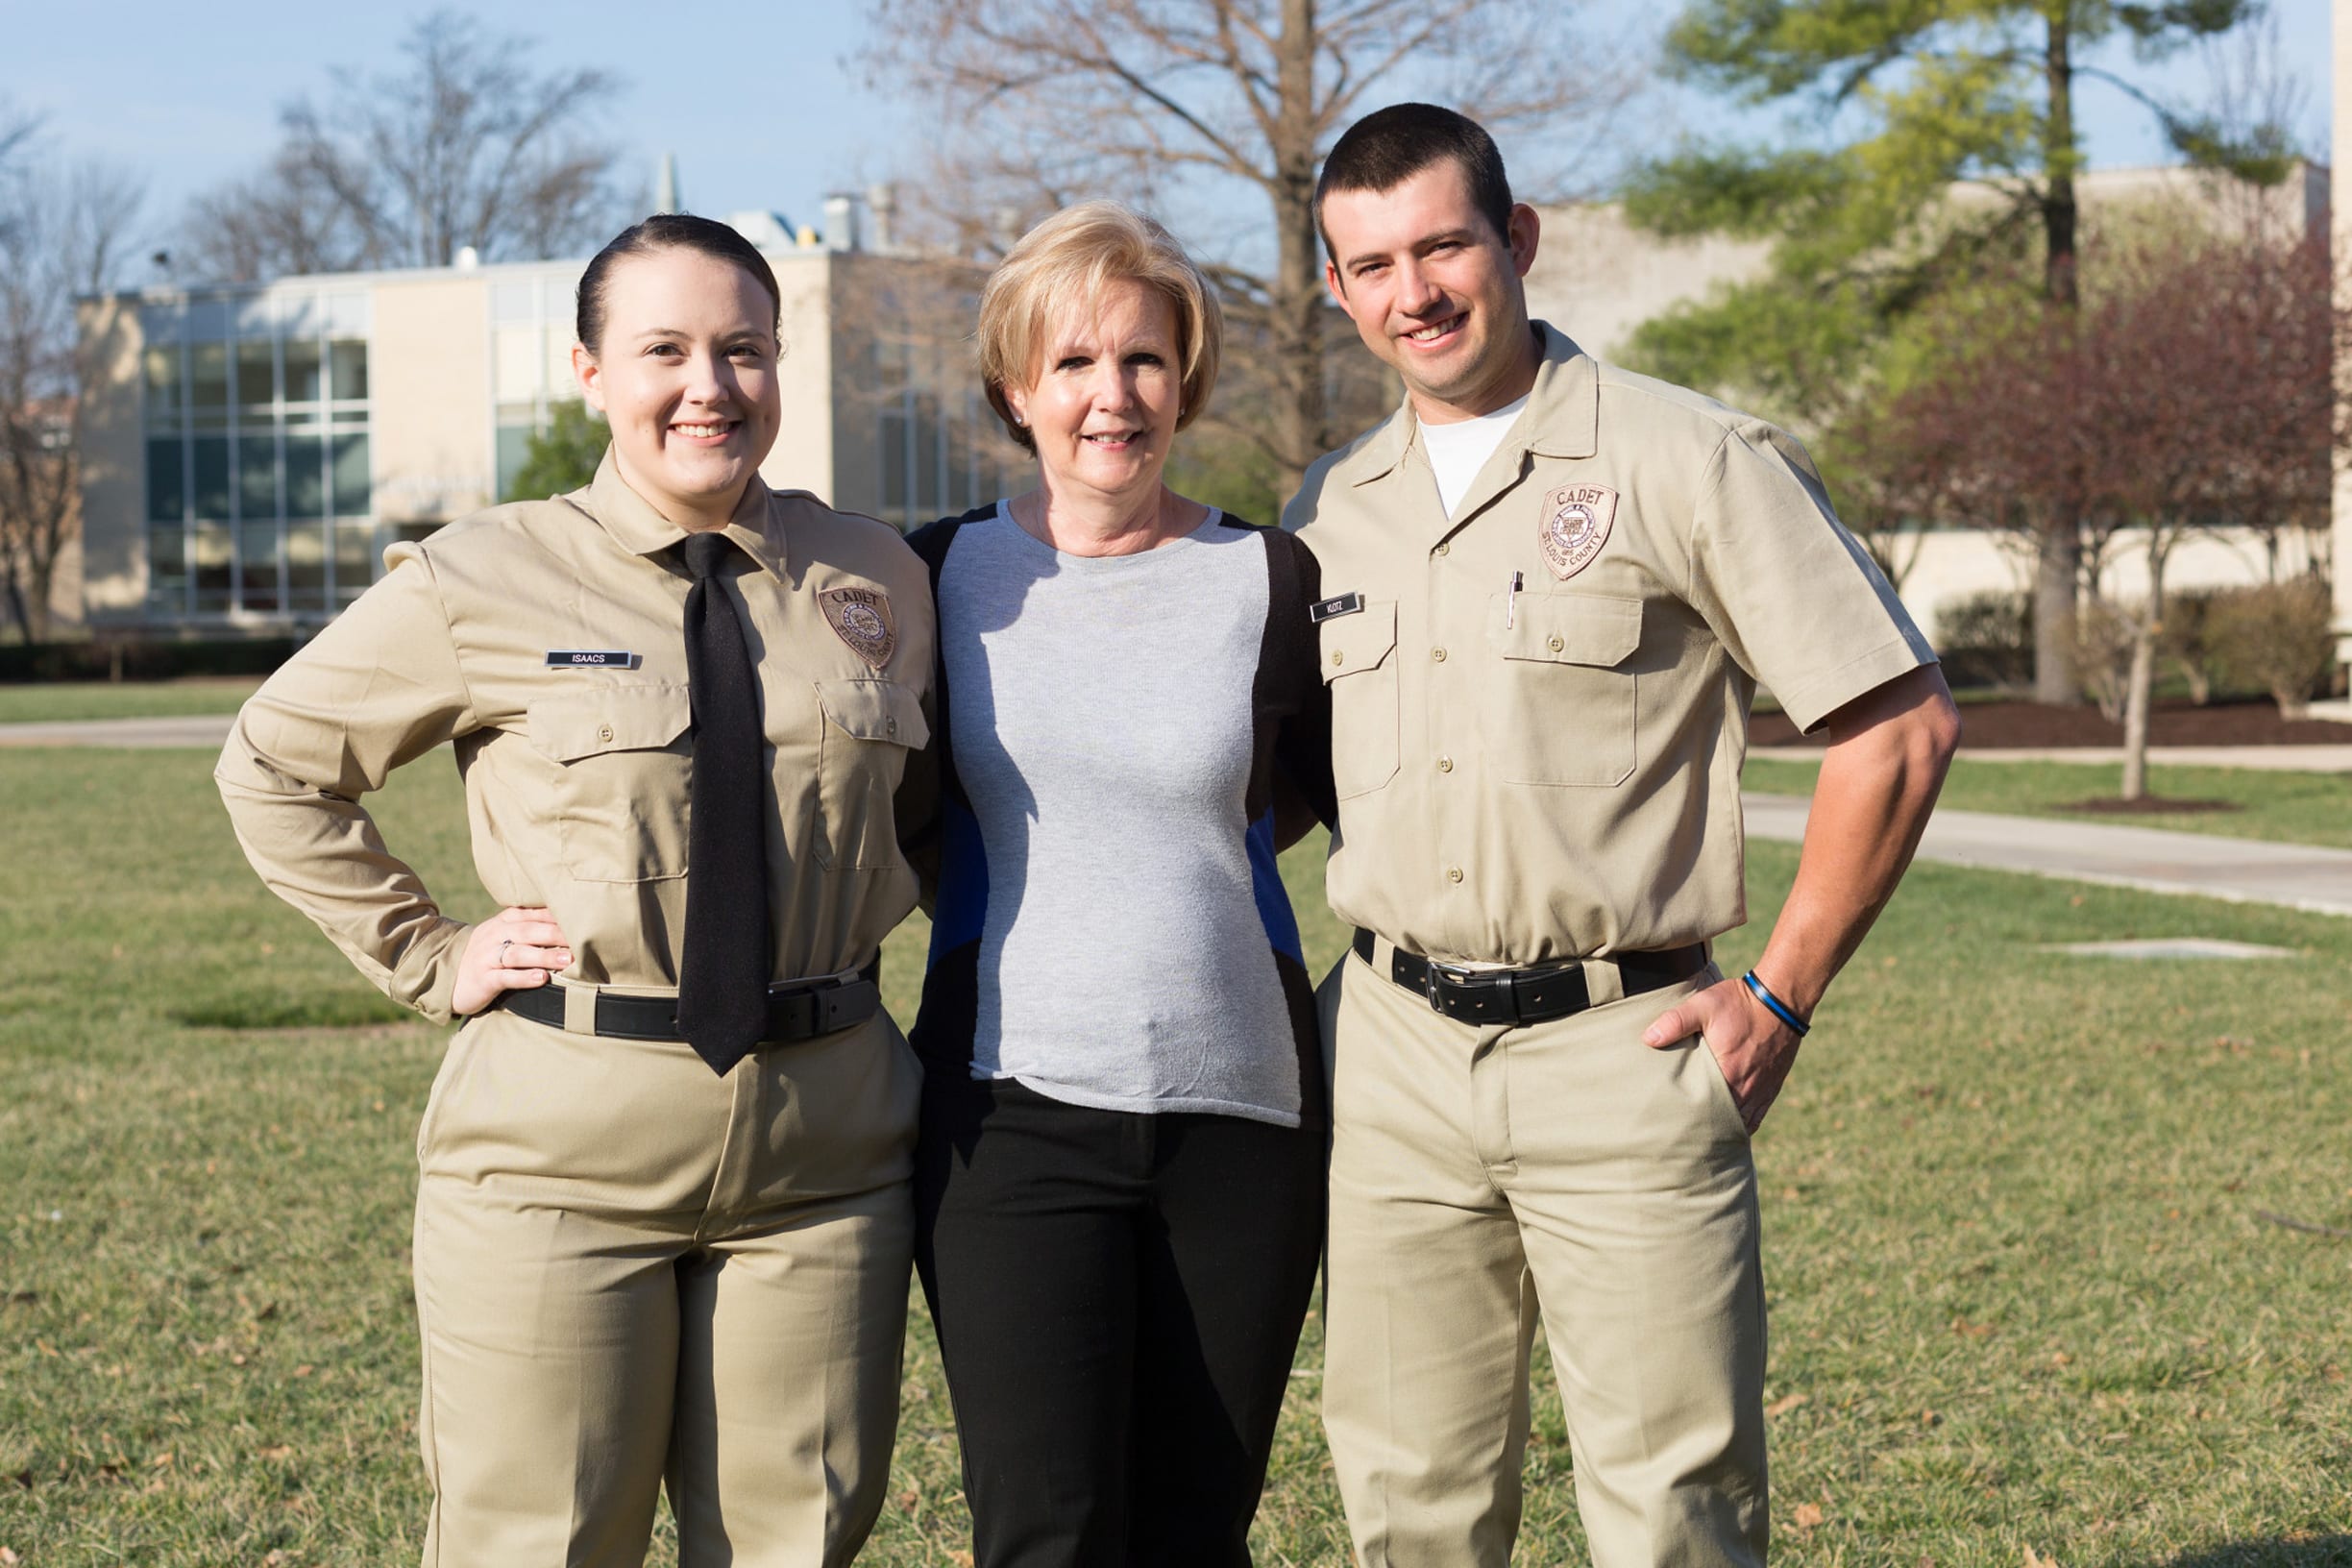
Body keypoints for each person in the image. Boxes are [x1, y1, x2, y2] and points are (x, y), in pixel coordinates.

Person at [1286, 105, 1963, 1566]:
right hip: (1388, 1063)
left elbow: (1897, 729)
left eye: (1445, 244)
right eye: (1372, 265)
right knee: (1407, 1507)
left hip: (1627, 1052)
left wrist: (1778, 997)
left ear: (1517, 241)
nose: (1416, 292)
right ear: (1337, 291)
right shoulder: (1330, 508)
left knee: (1675, 1512)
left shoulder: (1690, 457)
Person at [214, 213, 933, 1568]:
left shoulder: (880, 577)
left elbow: (933, 818)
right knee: (539, 1543)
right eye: (663, 348)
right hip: (560, 1160)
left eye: (744, 349)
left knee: (801, 1544)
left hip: (827, 1160)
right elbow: (273, 763)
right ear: (590, 371)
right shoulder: (482, 575)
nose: (709, 384)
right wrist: (430, 953)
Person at [899, 200, 1334, 1568]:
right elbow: (891, 808)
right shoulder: (936, 574)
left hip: (1244, 1120)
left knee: (1198, 1530)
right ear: (1017, 386)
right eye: (1075, 363)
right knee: (1048, 1532)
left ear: (1186, 381)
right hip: (1008, 1119)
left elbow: (1309, 791)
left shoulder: (1267, 574)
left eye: (1144, 361)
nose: (1112, 397)